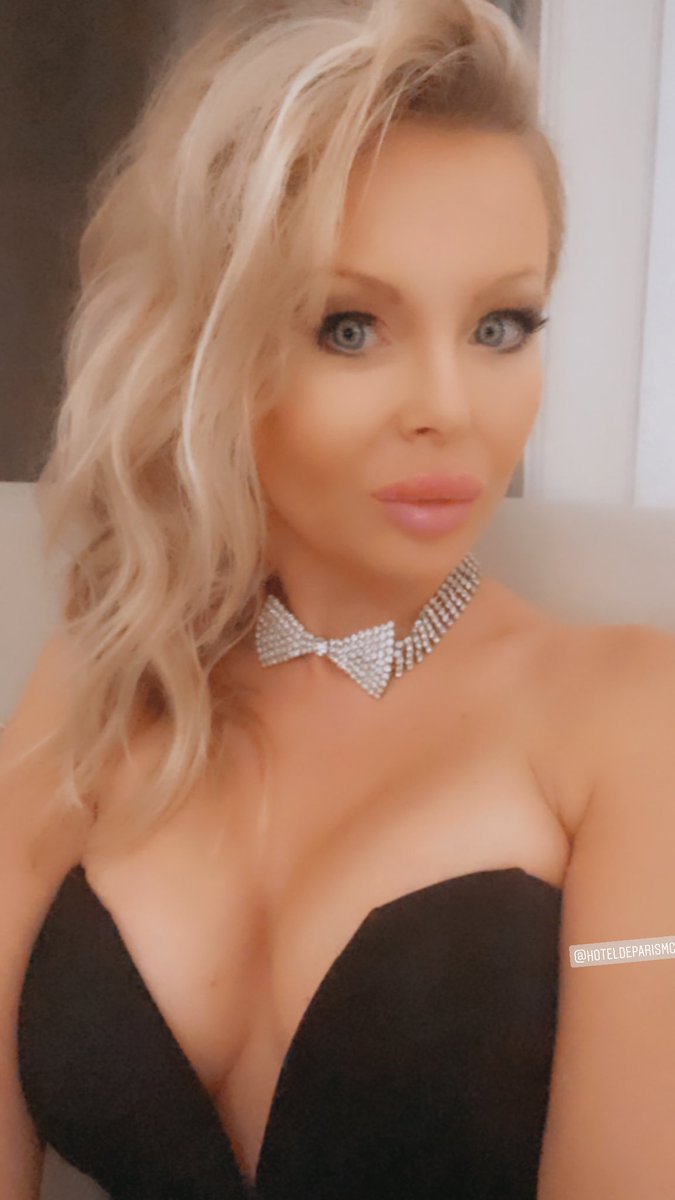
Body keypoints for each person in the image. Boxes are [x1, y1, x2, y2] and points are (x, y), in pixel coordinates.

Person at [2, 0, 675, 1197]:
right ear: (206, 350)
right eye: (350, 327)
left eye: (501, 325)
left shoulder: (633, 713)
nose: (449, 409)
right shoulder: (99, 686)